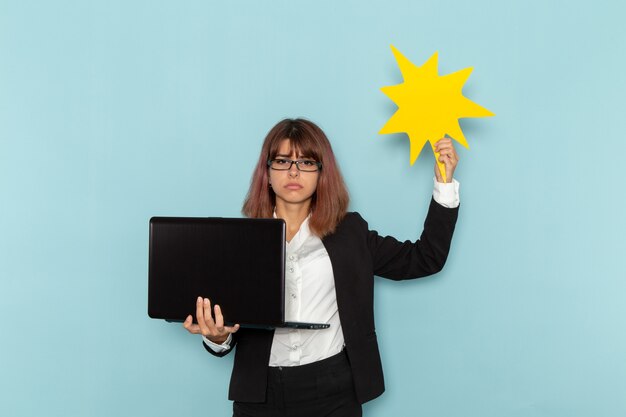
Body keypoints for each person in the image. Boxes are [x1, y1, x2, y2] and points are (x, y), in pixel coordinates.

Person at [183, 118, 460, 417]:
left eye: (306, 162)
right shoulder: (241, 242)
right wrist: (217, 337)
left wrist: (444, 185)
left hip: (333, 392)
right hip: (259, 395)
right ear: (267, 172)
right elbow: (229, 330)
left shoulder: (351, 233)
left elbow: (425, 258)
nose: (293, 171)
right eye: (282, 161)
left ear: (321, 172)